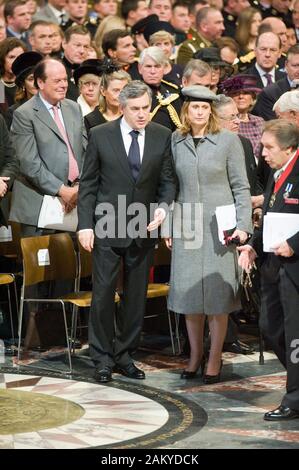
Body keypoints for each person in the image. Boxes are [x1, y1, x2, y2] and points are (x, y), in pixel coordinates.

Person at [77, 80, 177, 383]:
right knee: (104, 294)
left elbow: (168, 180)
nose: (142, 114)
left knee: (136, 296)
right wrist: (85, 225)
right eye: (135, 109)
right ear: (123, 108)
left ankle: (124, 354)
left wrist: (164, 207)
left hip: (143, 226)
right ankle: (102, 358)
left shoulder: (162, 136)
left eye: (146, 108)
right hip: (107, 224)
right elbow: (89, 185)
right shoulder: (100, 135)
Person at [166, 85, 252, 383]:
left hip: (221, 225)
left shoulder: (229, 141)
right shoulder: (176, 140)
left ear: (211, 111)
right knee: (190, 296)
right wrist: (167, 225)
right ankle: (194, 355)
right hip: (187, 222)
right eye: (194, 108)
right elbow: (170, 186)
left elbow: (241, 187)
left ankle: (214, 357)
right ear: (186, 112)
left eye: (204, 108)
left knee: (217, 297)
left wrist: (243, 226)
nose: (199, 112)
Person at [238, 119, 299, 421]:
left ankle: (294, 398)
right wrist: (252, 245)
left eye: (269, 147)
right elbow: (272, 215)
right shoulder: (276, 174)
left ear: (289, 149)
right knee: (270, 326)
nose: (263, 152)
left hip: (295, 264)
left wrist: (295, 244)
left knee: (295, 334)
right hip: (273, 264)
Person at [9, 58, 86, 237]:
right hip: (40, 204)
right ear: (41, 83)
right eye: (57, 81)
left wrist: (79, 185)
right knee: (43, 263)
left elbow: (85, 150)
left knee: (74, 262)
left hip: (76, 198)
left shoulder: (74, 108)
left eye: (65, 80)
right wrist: (62, 190)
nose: (63, 85)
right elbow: (28, 163)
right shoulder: (24, 114)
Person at [84, 65, 131, 132]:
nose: (121, 95)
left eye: (124, 90)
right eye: (116, 90)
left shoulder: (131, 117)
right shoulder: (90, 121)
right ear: (103, 91)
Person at [6, 51, 43, 129]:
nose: (36, 83)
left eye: (39, 78)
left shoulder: (54, 105)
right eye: (31, 79)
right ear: (23, 84)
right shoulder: (14, 112)